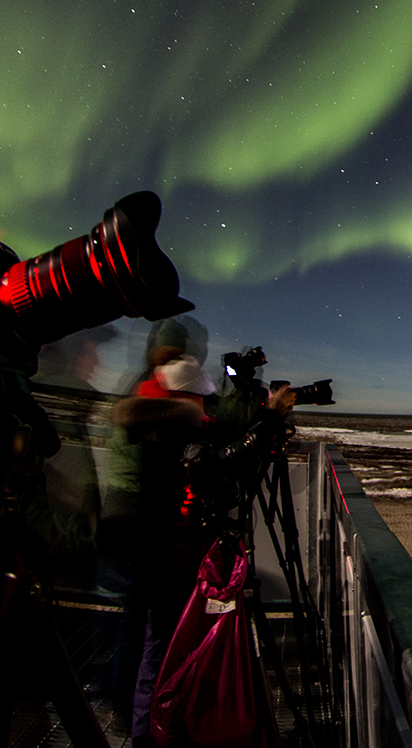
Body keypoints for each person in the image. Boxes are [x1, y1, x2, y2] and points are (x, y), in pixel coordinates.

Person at [102, 319, 293, 745]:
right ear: (191, 398)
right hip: (176, 556)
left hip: (157, 548)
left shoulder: (150, 415)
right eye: (204, 402)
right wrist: (270, 417)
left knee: (152, 646)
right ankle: (162, 731)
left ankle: (142, 730)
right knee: (167, 650)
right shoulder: (180, 435)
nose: (210, 412)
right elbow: (226, 460)